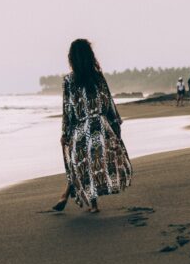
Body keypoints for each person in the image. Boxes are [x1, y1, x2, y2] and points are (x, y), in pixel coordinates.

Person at [52, 39, 133, 213]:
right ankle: (70, 196)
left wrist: (65, 133)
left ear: (71, 58)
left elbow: (68, 109)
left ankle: (88, 202)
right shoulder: (98, 77)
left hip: (81, 129)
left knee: (81, 164)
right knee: (94, 164)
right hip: (101, 126)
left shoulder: (68, 81)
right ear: (90, 56)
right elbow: (108, 102)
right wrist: (115, 125)